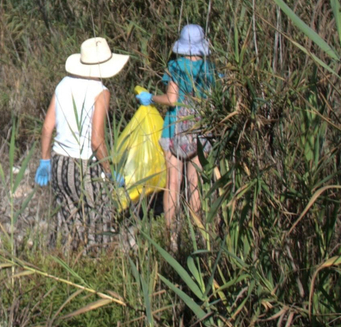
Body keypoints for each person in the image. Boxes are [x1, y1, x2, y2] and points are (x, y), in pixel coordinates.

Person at [37, 36, 130, 246]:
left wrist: (44, 160)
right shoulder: (101, 92)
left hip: (60, 163)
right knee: (97, 222)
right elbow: (96, 140)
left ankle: (64, 263)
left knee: (66, 223)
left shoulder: (63, 84)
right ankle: (95, 267)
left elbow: (47, 127)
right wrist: (108, 171)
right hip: (85, 167)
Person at [143, 24, 214, 250]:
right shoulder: (208, 69)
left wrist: (152, 97)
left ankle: (172, 240)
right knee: (195, 184)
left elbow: (172, 99)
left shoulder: (176, 66)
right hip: (202, 130)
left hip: (175, 130)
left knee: (173, 184)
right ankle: (201, 236)